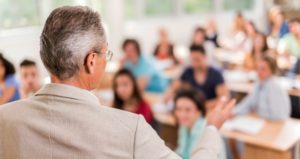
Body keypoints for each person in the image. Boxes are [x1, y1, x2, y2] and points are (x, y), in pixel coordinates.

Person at [0, 6, 236, 159]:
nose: (106, 61)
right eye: (106, 54)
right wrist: (212, 128)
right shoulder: (130, 129)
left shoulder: (4, 118)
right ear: (91, 61)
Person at [165, 45, 229, 109]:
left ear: (205, 57)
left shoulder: (216, 74)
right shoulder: (188, 72)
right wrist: (168, 95)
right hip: (192, 110)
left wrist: (202, 106)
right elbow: (174, 87)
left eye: (197, 60)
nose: (195, 63)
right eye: (192, 60)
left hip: (209, 109)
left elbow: (223, 98)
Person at [234, 55, 291, 120]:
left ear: (272, 71)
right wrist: (234, 112)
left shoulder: (274, 87)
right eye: (258, 68)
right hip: (262, 121)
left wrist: (257, 112)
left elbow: (279, 116)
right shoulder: (260, 83)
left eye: (263, 69)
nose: (259, 72)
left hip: (274, 124)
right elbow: (249, 102)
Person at [174, 88, 226, 159]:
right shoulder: (184, 126)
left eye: (188, 110)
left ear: (199, 112)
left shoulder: (204, 129)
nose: (182, 114)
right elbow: (181, 152)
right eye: (178, 109)